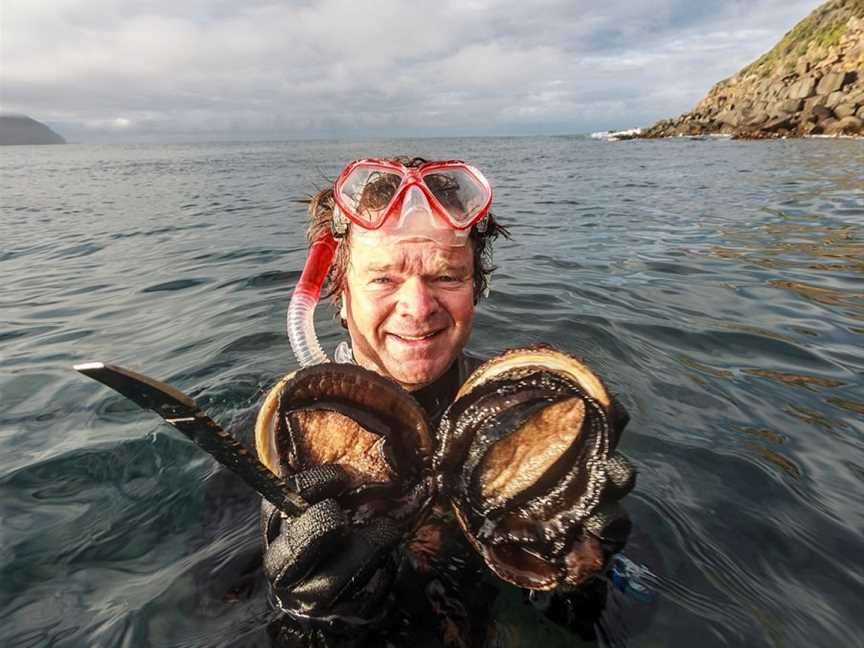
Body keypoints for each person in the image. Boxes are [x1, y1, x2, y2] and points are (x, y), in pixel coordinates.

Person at [253, 157, 648, 647]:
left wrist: (585, 581)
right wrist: (303, 619)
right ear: (339, 289)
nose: (418, 308)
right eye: (383, 279)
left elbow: (641, 609)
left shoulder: (533, 419)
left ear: (475, 286)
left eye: (446, 277)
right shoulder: (273, 445)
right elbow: (205, 610)